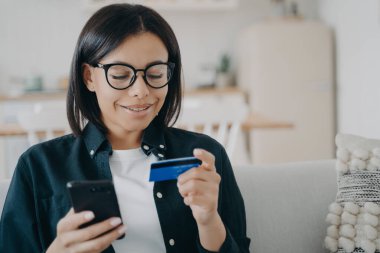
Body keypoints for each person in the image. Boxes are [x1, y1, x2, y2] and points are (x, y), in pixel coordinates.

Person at [0, 4, 250, 253]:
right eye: (119, 75)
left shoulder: (203, 155)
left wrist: (209, 221)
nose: (141, 91)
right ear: (89, 77)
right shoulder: (38, 166)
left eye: (155, 74)